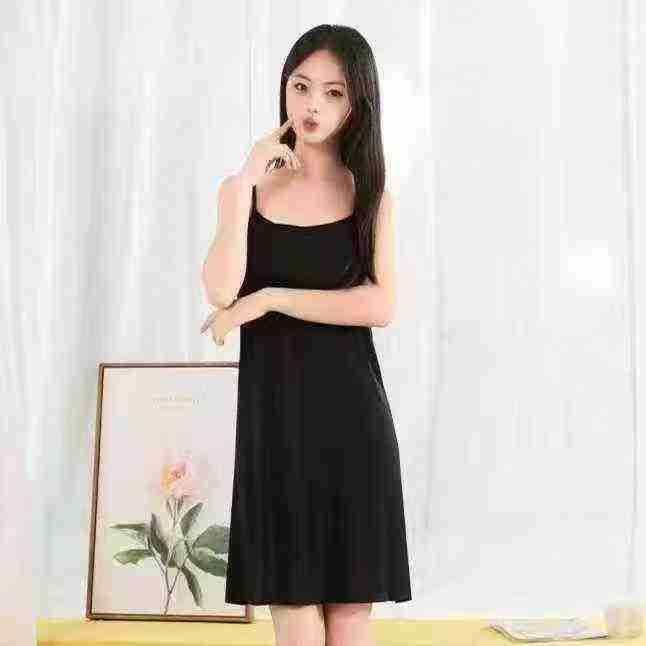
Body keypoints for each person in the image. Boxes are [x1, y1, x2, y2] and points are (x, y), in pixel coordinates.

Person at [201, 24, 411, 646]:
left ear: (357, 103)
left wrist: (270, 299)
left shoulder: (369, 194)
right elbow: (220, 291)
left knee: (349, 617)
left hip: (352, 421)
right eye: (301, 86)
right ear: (284, 89)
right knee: (292, 614)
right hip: (275, 424)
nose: (313, 105)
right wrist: (244, 182)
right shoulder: (243, 191)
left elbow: (381, 305)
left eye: (333, 92)